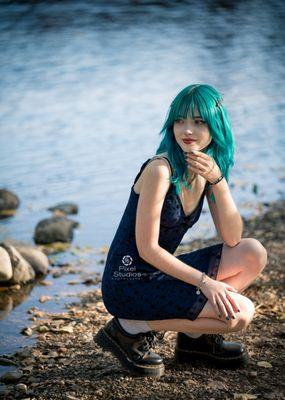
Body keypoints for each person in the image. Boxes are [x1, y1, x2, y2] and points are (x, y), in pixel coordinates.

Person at [94, 84, 267, 378]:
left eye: (199, 122)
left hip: (159, 274)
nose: (187, 129)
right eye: (180, 120)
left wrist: (217, 179)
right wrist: (205, 283)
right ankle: (129, 328)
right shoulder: (160, 170)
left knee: (252, 253)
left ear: (216, 126)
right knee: (240, 315)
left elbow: (233, 238)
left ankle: (195, 340)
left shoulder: (203, 168)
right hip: (128, 283)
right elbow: (146, 249)